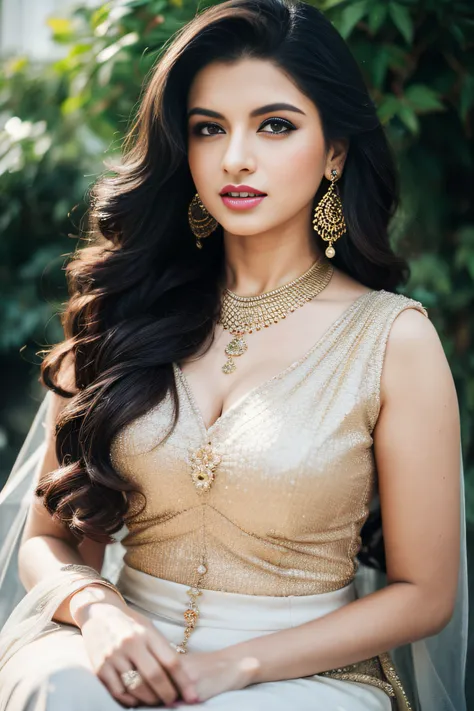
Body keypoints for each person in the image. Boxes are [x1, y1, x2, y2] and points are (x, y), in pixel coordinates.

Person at [0, 0, 467, 709]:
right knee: (59, 683)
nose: (235, 156)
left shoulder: (392, 338)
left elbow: (425, 594)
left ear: (335, 149)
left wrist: (237, 665)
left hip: (306, 675)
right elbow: (46, 539)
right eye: (207, 129)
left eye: (275, 125)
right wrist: (99, 613)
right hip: (121, 648)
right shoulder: (124, 312)